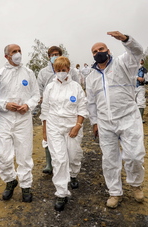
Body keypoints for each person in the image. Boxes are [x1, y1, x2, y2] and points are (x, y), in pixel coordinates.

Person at [86, 31, 146, 209]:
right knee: (110, 160)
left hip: (128, 117)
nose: (99, 52)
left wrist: (126, 39)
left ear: (108, 50)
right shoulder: (91, 77)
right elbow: (91, 103)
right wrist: (94, 123)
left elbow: (137, 52)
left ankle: (136, 185)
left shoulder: (122, 63)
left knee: (134, 156)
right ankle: (114, 192)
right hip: (105, 123)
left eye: (101, 49)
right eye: (95, 51)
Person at [0, 44, 40, 203]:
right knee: (3, 155)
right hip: (5, 119)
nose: (18, 54)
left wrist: (28, 106)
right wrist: (5, 105)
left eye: (19, 51)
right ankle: (10, 180)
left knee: (24, 154)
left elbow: (36, 95)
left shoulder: (29, 73)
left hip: (23, 119)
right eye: (14, 52)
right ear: (6, 56)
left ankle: (26, 186)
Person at [40, 56, 88, 211]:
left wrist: (77, 125)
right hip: (54, 126)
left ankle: (73, 174)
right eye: (58, 70)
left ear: (68, 69)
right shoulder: (50, 88)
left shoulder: (76, 87)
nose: (61, 72)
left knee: (73, 155)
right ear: (54, 70)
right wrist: (45, 129)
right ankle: (61, 192)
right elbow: (45, 109)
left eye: (63, 69)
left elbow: (82, 107)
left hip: (72, 126)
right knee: (59, 159)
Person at [37, 46, 80, 175]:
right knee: (49, 137)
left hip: (67, 109)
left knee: (68, 140)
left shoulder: (71, 72)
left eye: (56, 54)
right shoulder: (43, 73)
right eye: (51, 55)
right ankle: (49, 164)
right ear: (48, 57)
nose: (54, 56)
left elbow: (76, 87)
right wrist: (42, 100)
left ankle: (69, 167)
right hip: (50, 108)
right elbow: (39, 88)